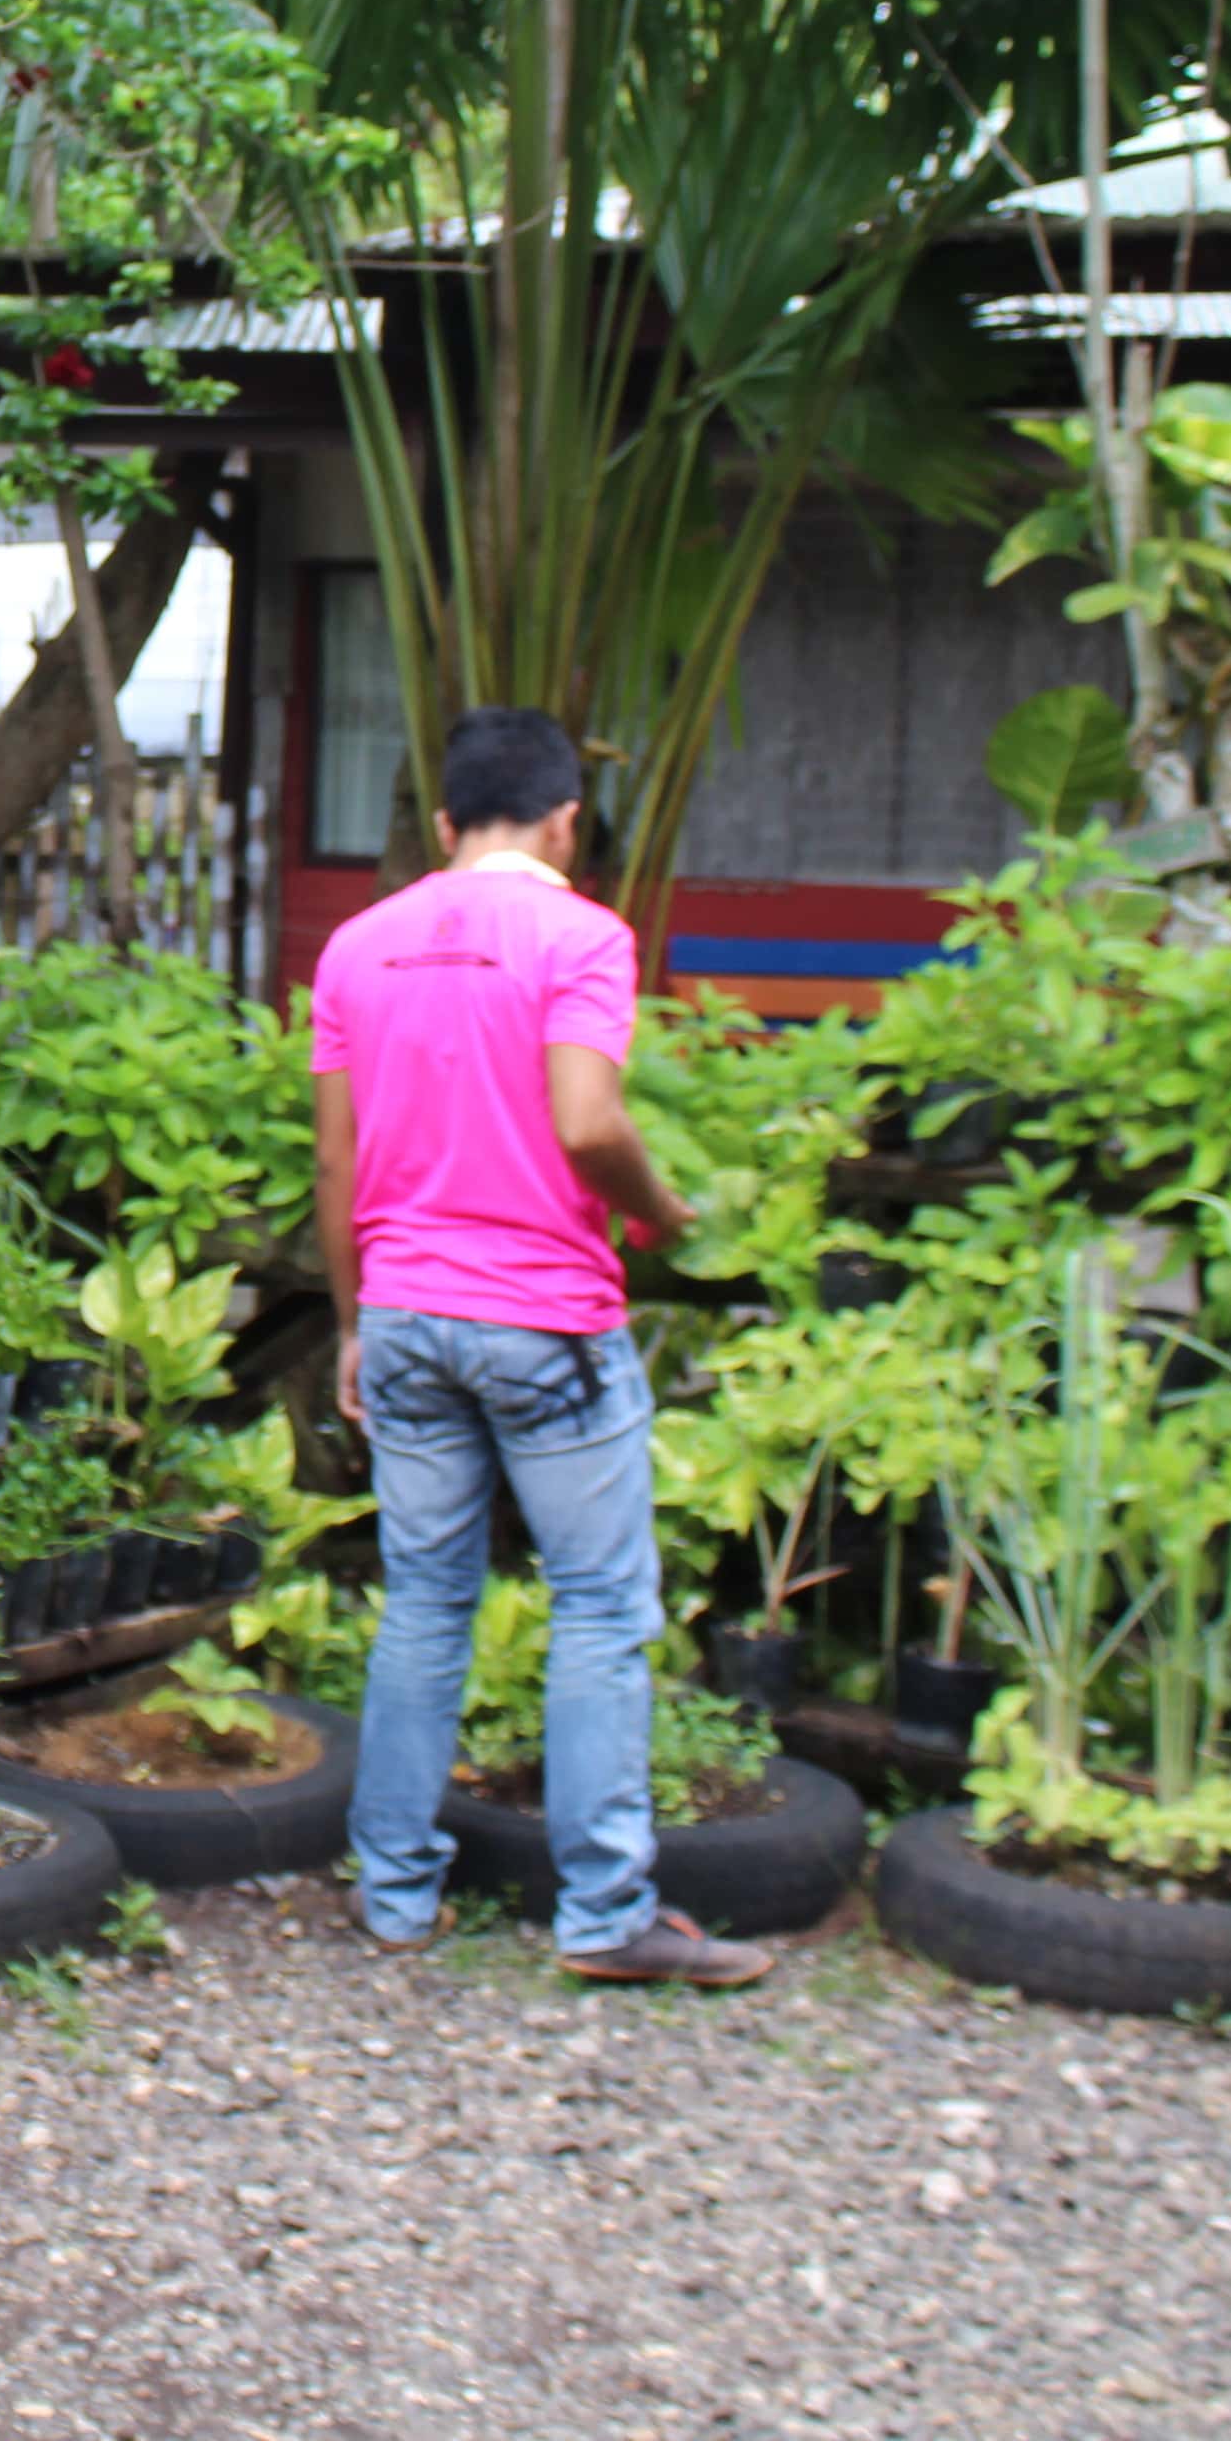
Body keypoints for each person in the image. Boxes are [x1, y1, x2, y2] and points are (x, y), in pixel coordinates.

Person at [306, 704, 771, 1988]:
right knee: (602, 1608)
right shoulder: (583, 937)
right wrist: (662, 1212)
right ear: (567, 822)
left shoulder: (356, 945)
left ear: (444, 823)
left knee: (424, 1604)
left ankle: (394, 1895)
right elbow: (587, 1123)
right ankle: (607, 1916)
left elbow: (337, 1163)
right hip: (543, 1320)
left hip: (404, 1315)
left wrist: (352, 1323)